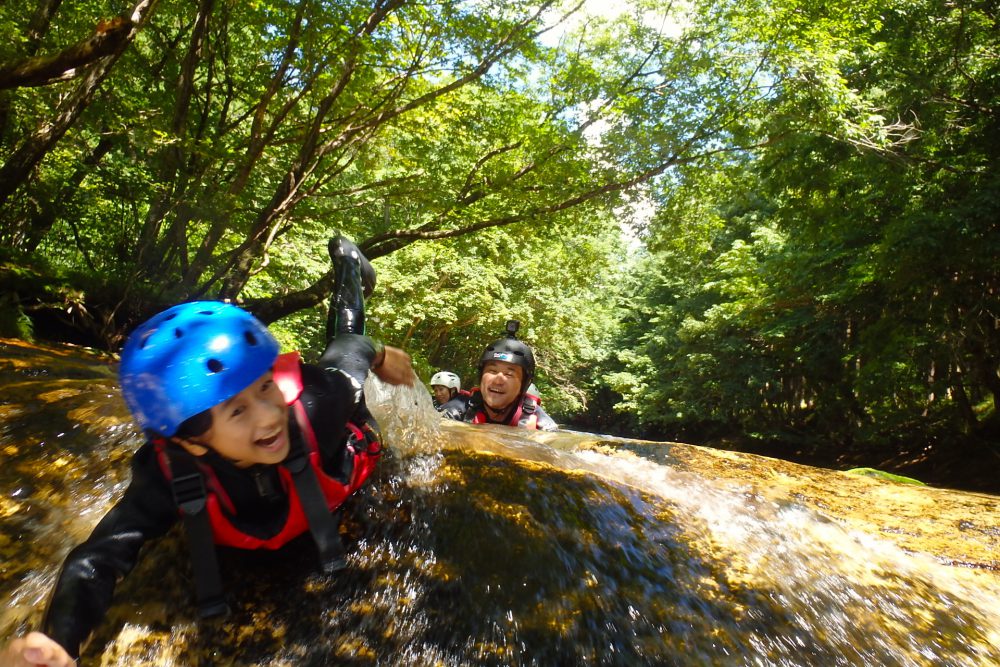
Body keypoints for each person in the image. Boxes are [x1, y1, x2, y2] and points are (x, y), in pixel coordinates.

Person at [0, 237, 413, 667]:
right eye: (237, 411)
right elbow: (98, 559)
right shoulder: (168, 473)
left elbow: (347, 352)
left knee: (345, 332)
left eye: (266, 388)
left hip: (342, 448)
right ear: (188, 440)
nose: (269, 417)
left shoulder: (316, 404)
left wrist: (381, 354)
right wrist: (59, 642)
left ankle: (350, 267)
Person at [440, 320, 556, 431]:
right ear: (481, 377)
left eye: (509, 374)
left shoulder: (542, 424)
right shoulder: (456, 410)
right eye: (492, 371)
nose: (498, 381)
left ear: (523, 384)